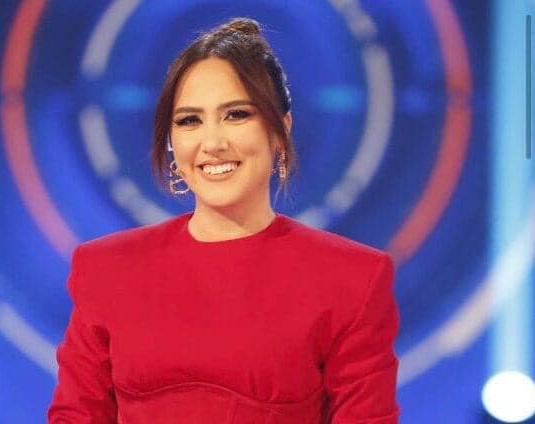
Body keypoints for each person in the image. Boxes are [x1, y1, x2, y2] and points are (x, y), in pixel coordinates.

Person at [48, 17, 400, 423]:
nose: (212, 143)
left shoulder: (353, 279)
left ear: (280, 130)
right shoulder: (106, 269)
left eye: (236, 115)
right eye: (189, 121)